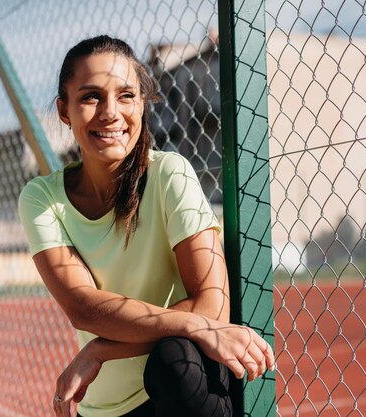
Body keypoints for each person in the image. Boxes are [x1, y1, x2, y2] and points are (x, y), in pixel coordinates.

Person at [18, 35, 274, 417]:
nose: (110, 112)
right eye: (90, 97)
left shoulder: (170, 175)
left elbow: (213, 302)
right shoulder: (43, 199)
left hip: (181, 389)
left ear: (141, 103)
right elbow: (85, 308)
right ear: (64, 111)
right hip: (102, 408)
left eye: (125, 96)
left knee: (175, 359)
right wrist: (194, 325)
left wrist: (102, 349)